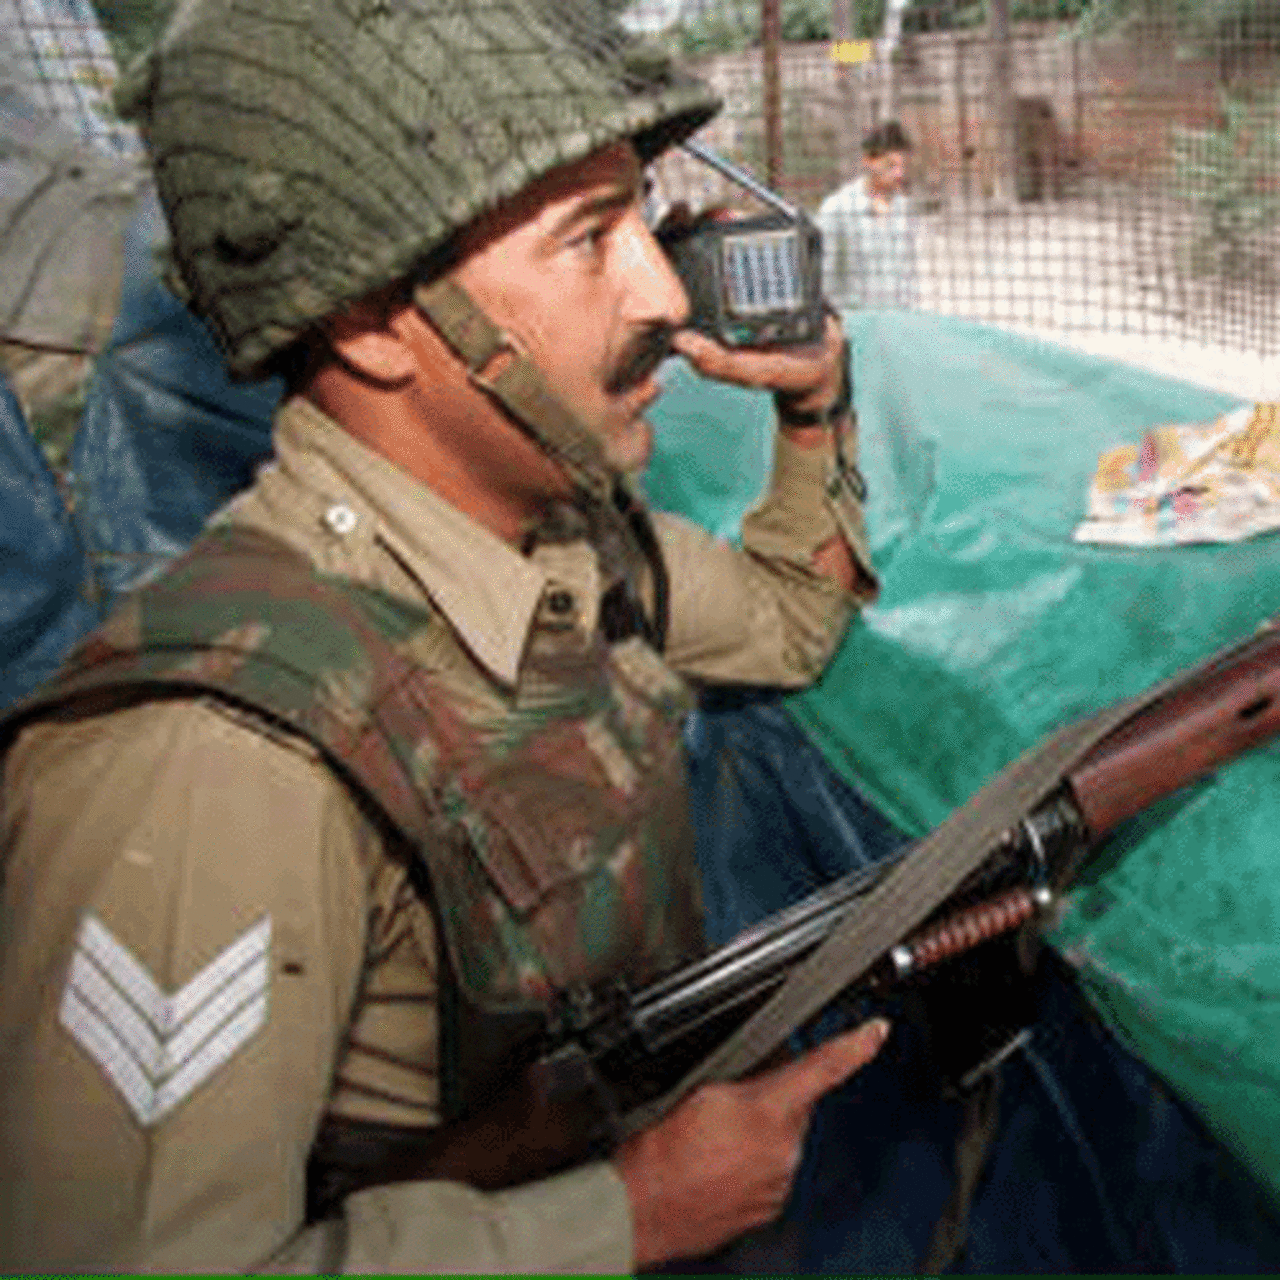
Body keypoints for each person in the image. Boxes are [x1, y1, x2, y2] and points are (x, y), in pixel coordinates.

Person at [0, 0, 892, 1270]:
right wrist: (622, 1216)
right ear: (368, 322)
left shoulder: (572, 547)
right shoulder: (207, 768)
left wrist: (812, 408)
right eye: (588, 237)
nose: (656, 285)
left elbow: (789, 626)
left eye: (639, 209)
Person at [815, 120, 920, 311]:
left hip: (900, 326)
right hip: (855, 328)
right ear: (867, 160)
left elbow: (909, 276)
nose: (899, 174)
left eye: (902, 165)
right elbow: (823, 279)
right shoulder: (837, 209)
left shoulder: (904, 209)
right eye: (890, 165)